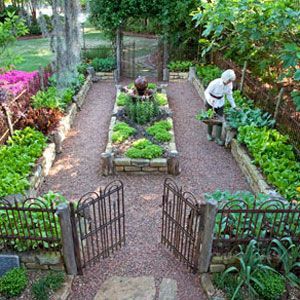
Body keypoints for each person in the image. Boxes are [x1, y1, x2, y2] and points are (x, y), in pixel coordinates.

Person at [204, 69, 237, 146]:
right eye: (229, 80)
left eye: (231, 81)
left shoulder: (229, 85)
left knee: (219, 119)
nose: (230, 82)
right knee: (210, 118)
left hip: (220, 102)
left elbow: (229, 95)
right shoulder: (215, 83)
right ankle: (209, 134)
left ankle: (218, 138)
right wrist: (210, 99)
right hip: (210, 101)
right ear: (225, 78)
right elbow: (206, 92)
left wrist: (234, 106)